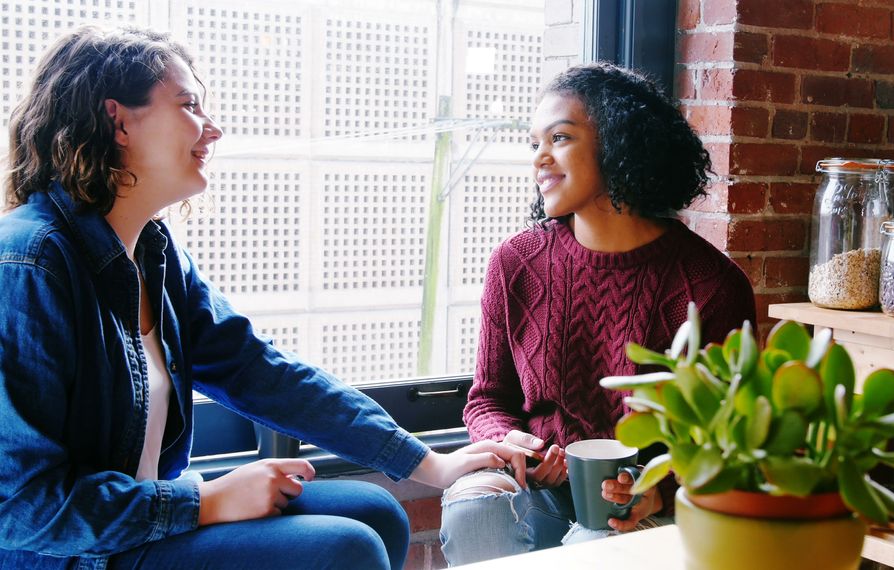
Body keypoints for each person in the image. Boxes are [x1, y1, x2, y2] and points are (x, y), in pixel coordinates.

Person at [0, 25, 529, 570]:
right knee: (345, 549)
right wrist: (203, 500)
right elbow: (18, 508)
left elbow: (263, 372)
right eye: (189, 105)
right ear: (118, 121)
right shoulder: (28, 264)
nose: (213, 128)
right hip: (71, 553)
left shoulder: (154, 257)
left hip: (135, 523)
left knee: (378, 512)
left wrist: (425, 461)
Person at [438, 62, 757, 565]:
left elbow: (729, 442)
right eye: (533, 144)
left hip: (638, 505)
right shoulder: (516, 263)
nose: (539, 158)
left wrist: (662, 488)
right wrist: (510, 442)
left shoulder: (710, 286)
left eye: (559, 138)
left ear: (620, 143)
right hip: (534, 491)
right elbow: (488, 399)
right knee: (475, 510)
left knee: (593, 546)